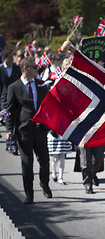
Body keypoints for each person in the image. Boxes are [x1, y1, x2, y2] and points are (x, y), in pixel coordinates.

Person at [6, 57, 52, 204]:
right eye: (34, 67)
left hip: (40, 130)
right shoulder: (14, 87)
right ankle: (29, 194)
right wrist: (9, 129)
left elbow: (47, 107)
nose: (37, 69)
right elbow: (9, 110)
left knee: (44, 161)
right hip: (24, 131)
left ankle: (44, 184)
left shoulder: (41, 86)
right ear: (26, 68)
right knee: (27, 163)